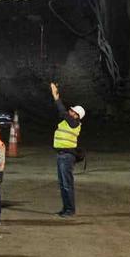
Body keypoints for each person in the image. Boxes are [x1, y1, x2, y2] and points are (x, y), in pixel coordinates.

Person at [48, 81, 85, 218]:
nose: (70, 112)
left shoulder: (74, 123)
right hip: (61, 155)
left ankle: (70, 210)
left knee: (67, 184)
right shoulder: (69, 121)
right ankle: (66, 208)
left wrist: (56, 97)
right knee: (63, 184)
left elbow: (62, 111)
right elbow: (61, 113)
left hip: (67, 156)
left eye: (72, 111)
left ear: (76, 115)